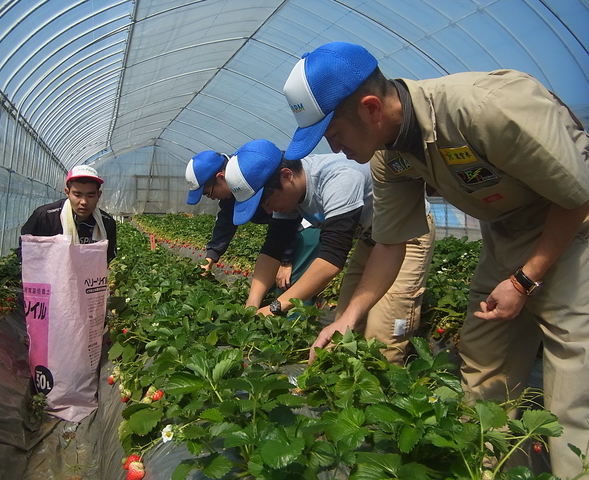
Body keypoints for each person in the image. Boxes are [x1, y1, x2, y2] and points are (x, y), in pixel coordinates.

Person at [281, 41, 589, 477]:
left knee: (572, 392)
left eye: (335, 136)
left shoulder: (486, 109)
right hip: (503, 235)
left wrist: (524, 280)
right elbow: (391, 242)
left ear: (370, 108)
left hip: (575, 231)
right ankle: (492, 470)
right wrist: (347, 318)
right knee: (484, 366)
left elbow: (577, 196)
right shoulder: (389, 157)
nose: (334, 151)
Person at [225, 139, 434, 365]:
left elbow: (331, 259)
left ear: (287, 175)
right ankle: (346, 389)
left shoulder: (338, 178)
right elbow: (273, 248)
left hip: (407, 232)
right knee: (341, 329)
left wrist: (276, 307)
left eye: (266, 201)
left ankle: (386, 385)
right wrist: (253, 304)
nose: (268, 209)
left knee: (383, 333)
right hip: (370, 238)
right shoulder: (288, 195)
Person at [185, 150, 319, 290]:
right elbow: (226, 220)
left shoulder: (249, 173)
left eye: (209, 193)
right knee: (270, 286)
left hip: (303, 227)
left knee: (290, 285)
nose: (212, 198)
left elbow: (284, 223)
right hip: (284, 229)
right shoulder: (234, 185)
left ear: (221, 177)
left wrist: (285, 261)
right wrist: (210, 258)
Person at [21, 165, 117, 263]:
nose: (84, 202)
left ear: (99, 195)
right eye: (77, 195)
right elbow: (26, 250)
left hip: (88, 277)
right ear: (67, 193)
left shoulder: (106, 222)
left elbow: (108, 257)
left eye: (90, 195)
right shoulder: (46, 216)